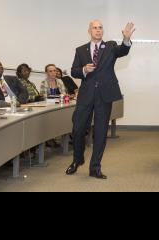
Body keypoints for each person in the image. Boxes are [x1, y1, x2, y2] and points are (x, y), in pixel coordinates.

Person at [66, 20, 135, 179]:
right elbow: (74, 71)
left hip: (105, 94)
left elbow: (123, 50)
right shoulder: (80, 50)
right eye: (95, 28)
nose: (98, 30)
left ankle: (95, 167)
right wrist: (83, 69)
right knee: (77, 129)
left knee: (101, 132)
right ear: (89, 30)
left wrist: (126, 39)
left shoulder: (110, 46)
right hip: (86, 94)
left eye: (100, 28)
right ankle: (77, 160)